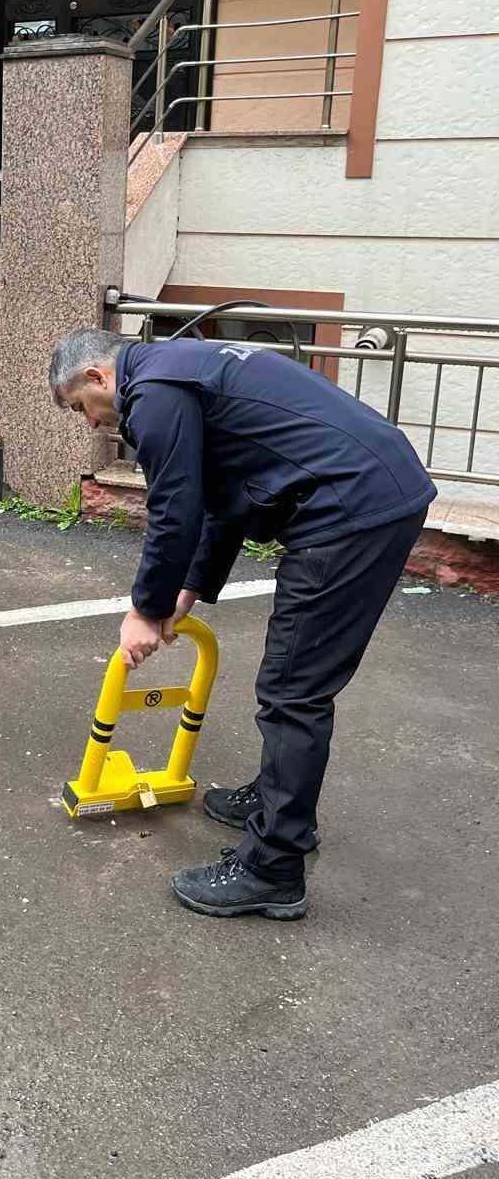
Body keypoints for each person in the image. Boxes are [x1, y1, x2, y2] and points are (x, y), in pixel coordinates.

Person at [49, 326, 435, 920]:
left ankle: (273, 866)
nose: (92, 425)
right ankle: (276, 800)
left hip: (348, 509)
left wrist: (145, 610)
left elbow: (173, 507)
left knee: (292, 689)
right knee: (296, 679)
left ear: (100, 378)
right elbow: (217, 500)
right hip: (371, 489)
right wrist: (187, 593)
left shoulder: (151, 393)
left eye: (82, 408)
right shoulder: (180, 367)